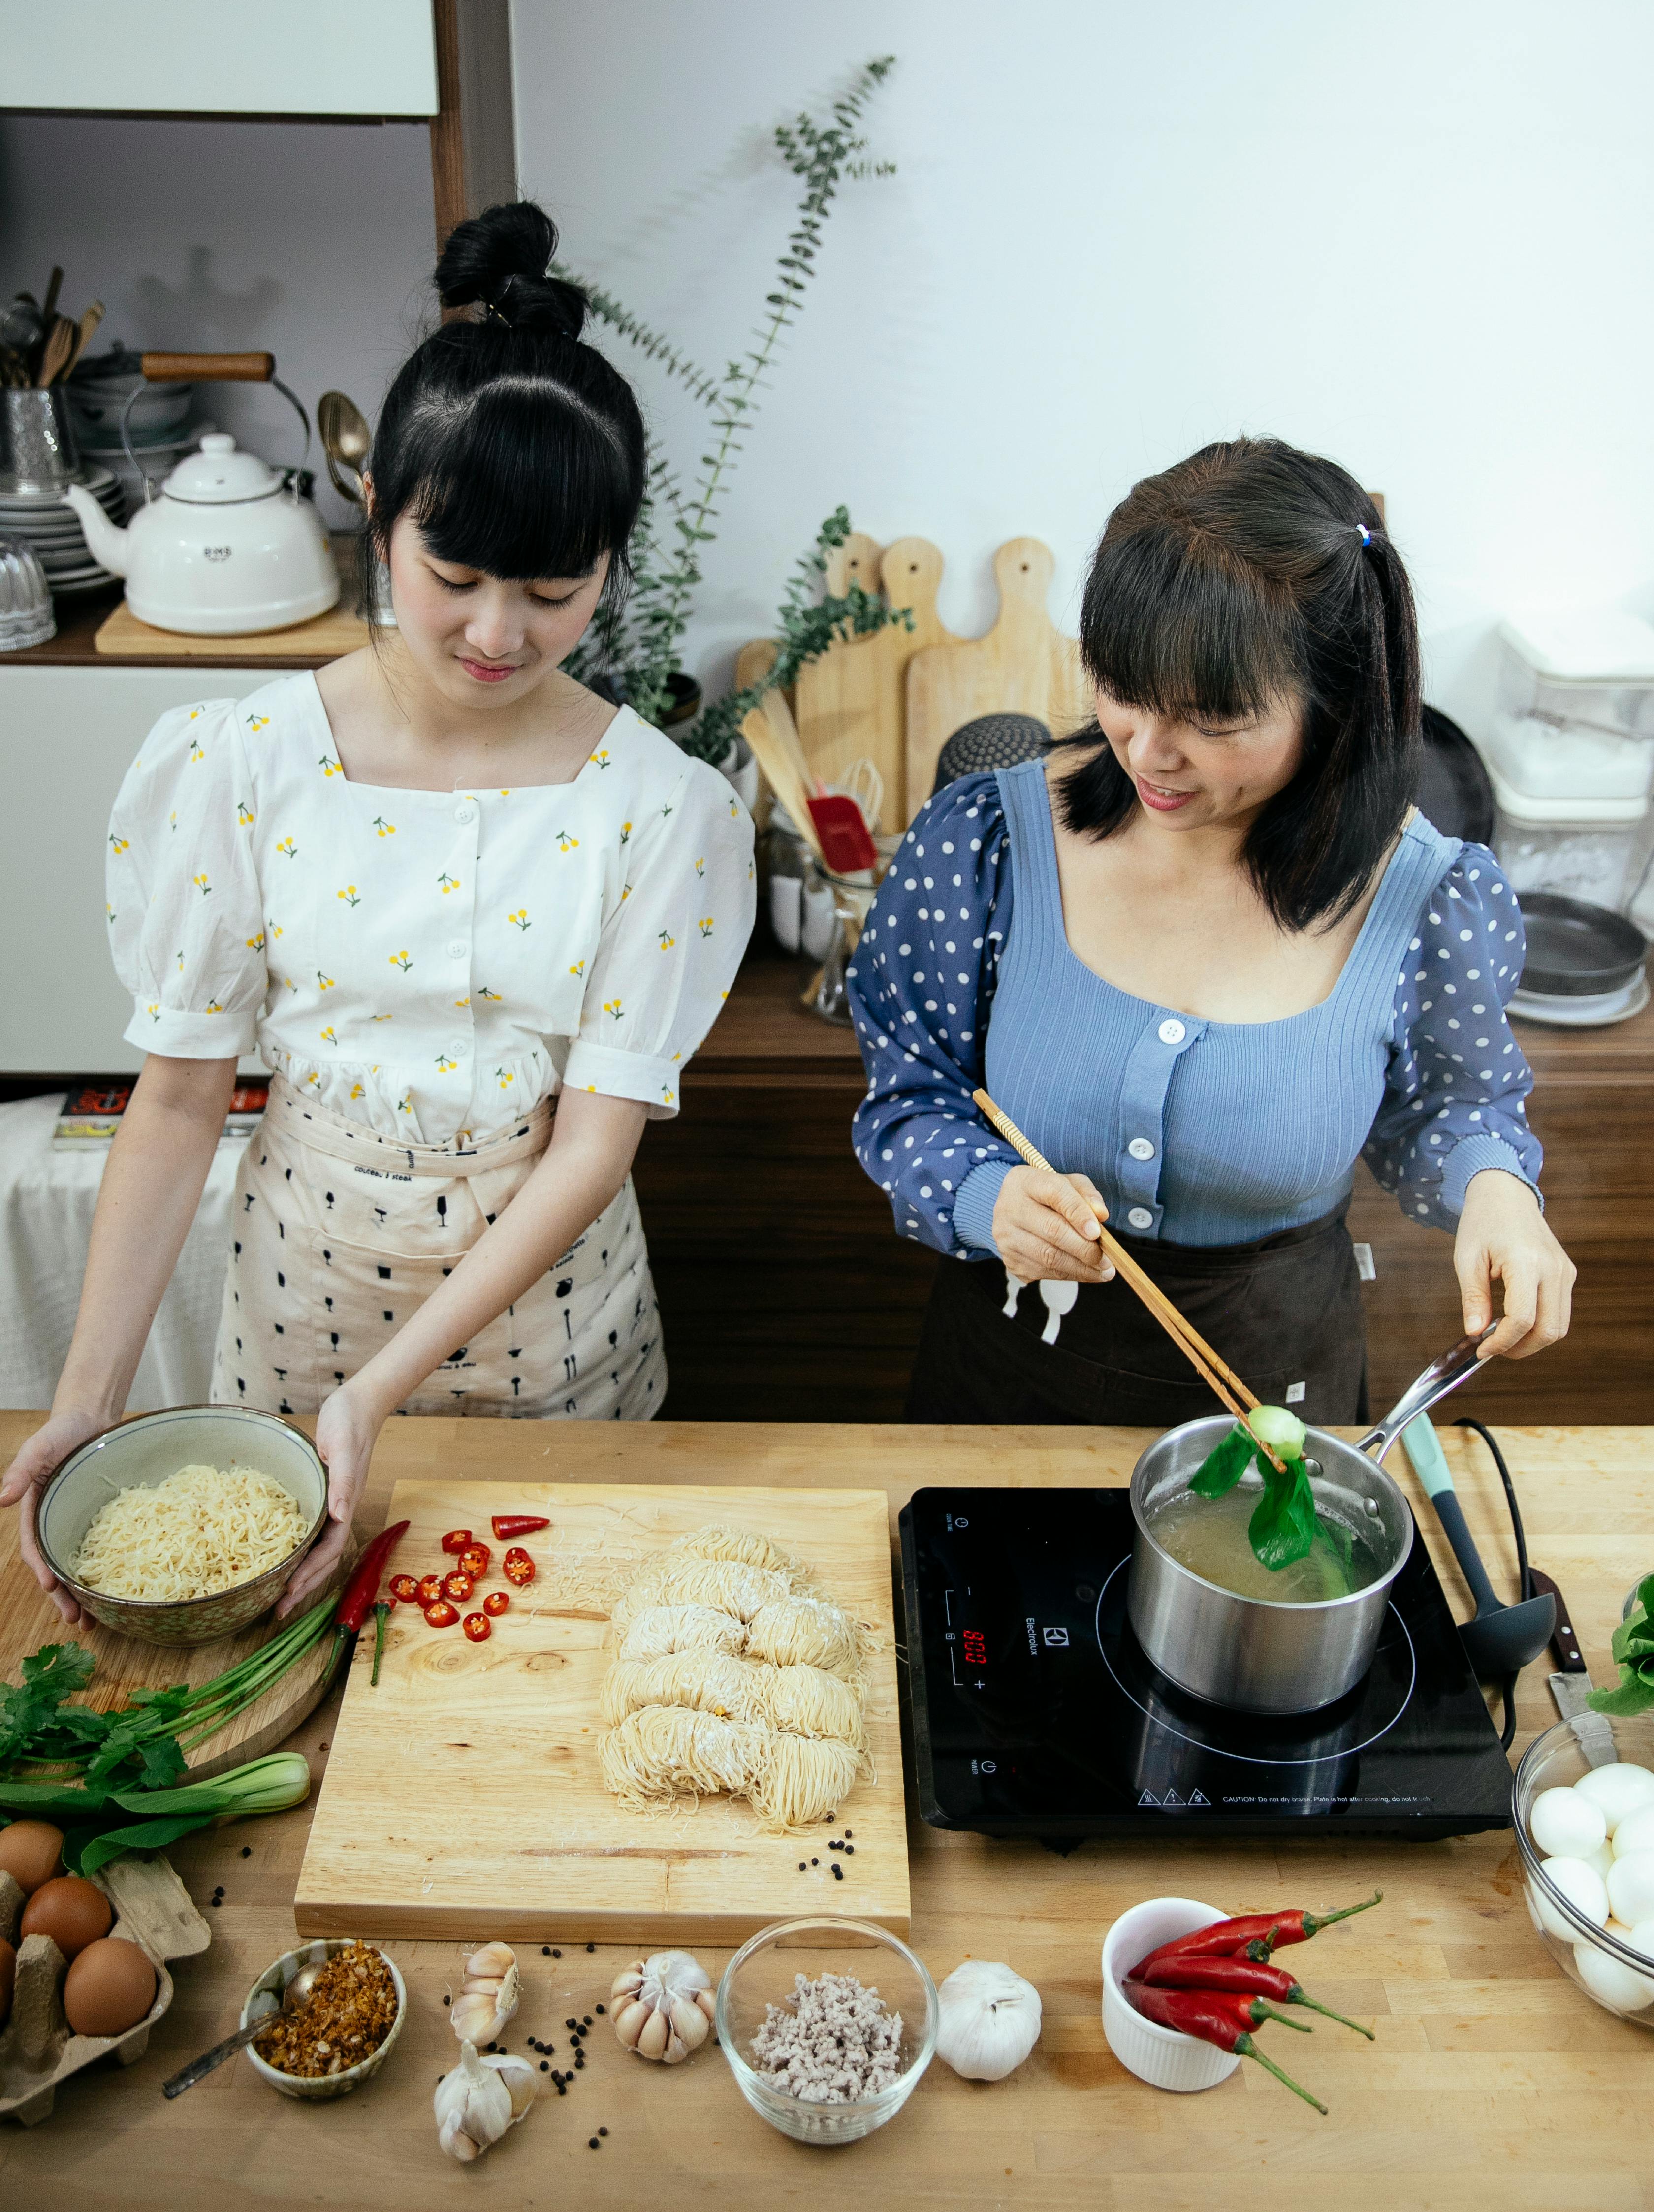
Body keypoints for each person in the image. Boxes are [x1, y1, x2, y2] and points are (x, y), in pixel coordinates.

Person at [4, 202, 754, 1616]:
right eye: (452, 575)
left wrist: (385, 1393)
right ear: (376, 512)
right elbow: (175, 1104)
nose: (495, 634)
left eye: (554, 591)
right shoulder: (244, 762)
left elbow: (592, 1148)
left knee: (543, 1661)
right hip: (299, 1304)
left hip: (556, 1332)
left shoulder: (662, 806)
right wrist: (86, 1400)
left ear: (610, 564)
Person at [848, 436, 1574, 1424]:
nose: (1148, 749)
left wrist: (1499, 1192)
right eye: (1120, 685)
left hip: (1279, 1395)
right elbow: (911, 1094)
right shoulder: (988, 842)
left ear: (1334, 701)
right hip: (1004, 1394)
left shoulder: (1422, 898)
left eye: (1214, 719)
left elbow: (1454, 1107)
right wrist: (984, 1196)